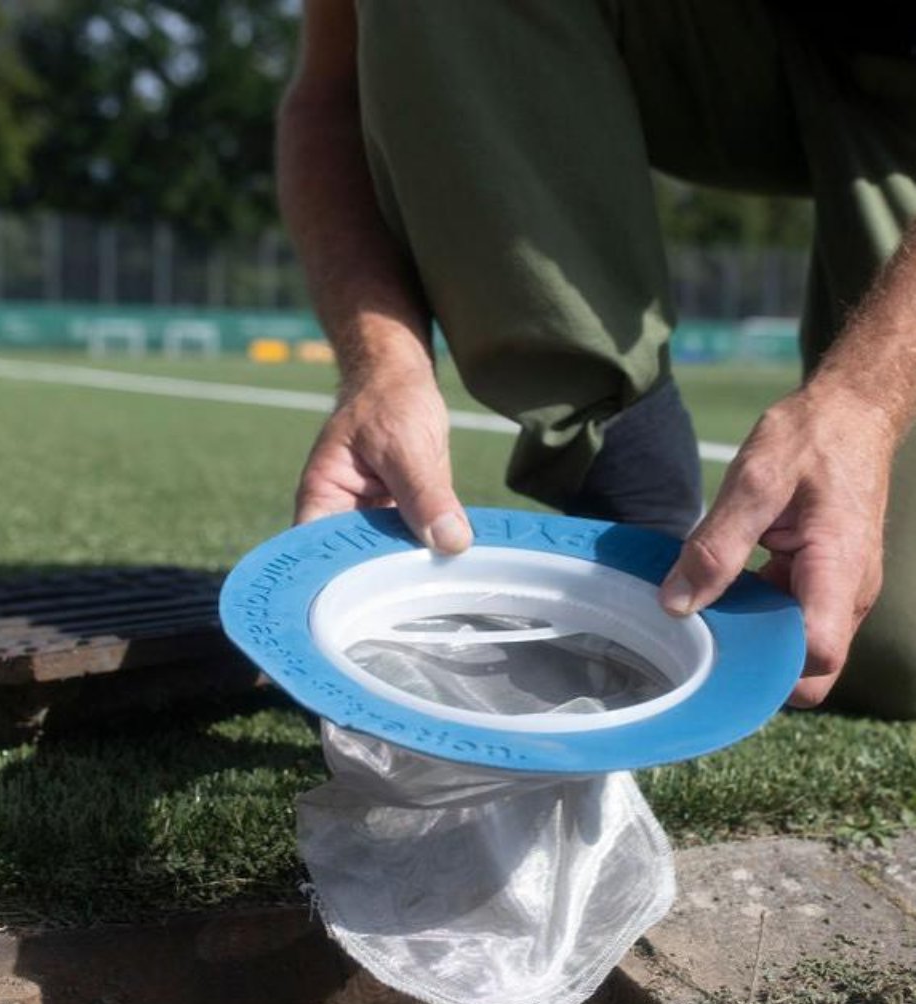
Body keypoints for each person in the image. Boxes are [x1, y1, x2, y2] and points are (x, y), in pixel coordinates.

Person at [277, 0, 916, 717]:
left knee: (889, 654)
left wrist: (865, 399)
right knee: (813, 630)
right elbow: (330, 95)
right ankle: (631, 492)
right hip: (719, 52)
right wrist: (383, 364)